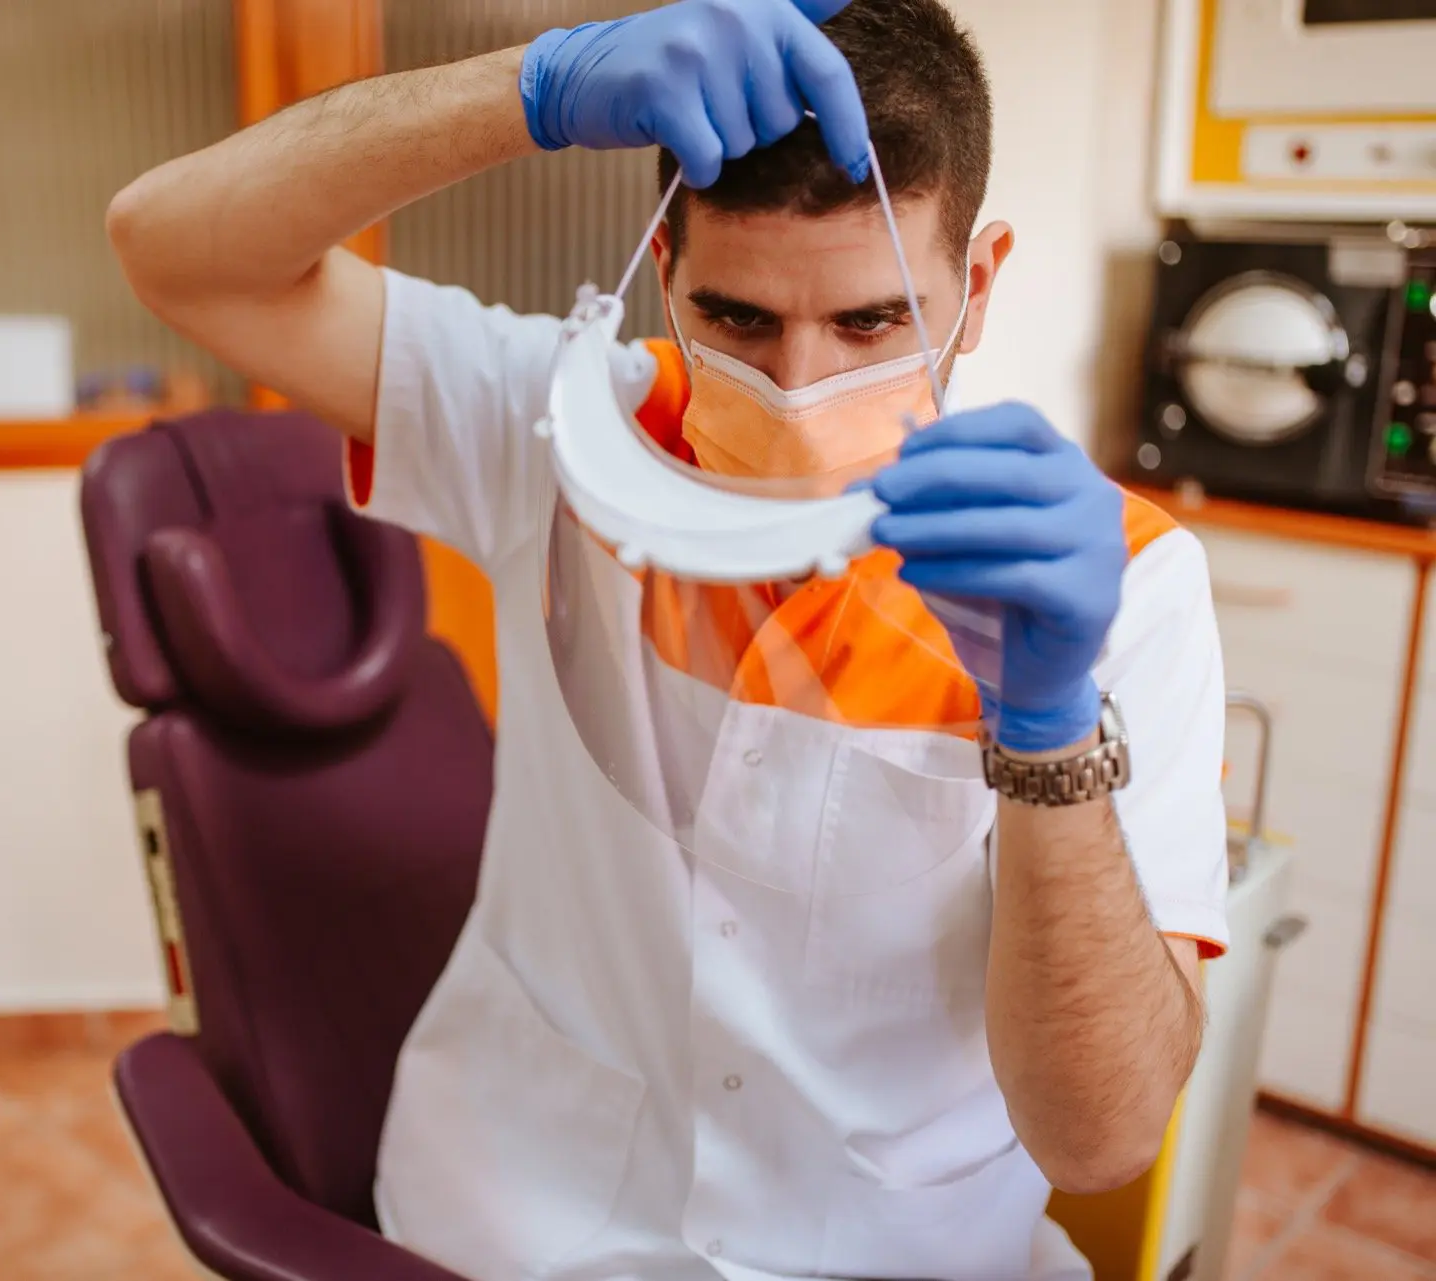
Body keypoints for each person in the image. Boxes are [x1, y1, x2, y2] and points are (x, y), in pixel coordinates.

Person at [107, 1, 1229, 1277]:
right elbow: (171, 250)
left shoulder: (1114, 586)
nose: (799, 397)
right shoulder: (565, 428)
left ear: (973, 289)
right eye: (741, 320)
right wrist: (528, 92)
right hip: (525, 1218)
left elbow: (1103, 1141)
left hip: (892, 1250)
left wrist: (1049, 724)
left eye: (869, 322)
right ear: (664, 273)